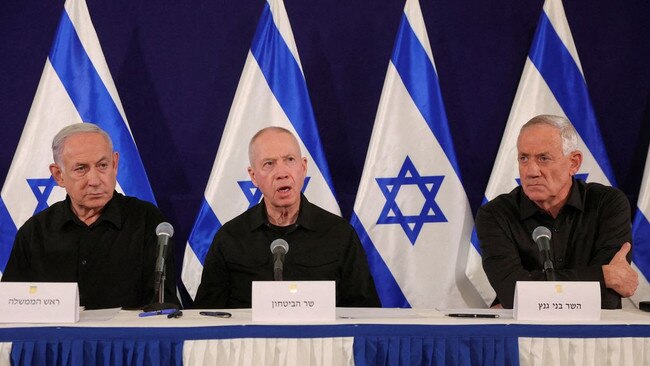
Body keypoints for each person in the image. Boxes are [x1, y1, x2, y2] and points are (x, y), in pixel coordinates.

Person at [194, 126, 380, 308]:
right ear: (253, 176)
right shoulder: (230, 237)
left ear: (303, 167)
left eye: (290, 160)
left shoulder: (339, 234)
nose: (282, 173)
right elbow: (207, 315)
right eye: (269, 164)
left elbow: (365, 312)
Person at [2, 123, 179, 310]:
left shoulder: (147, 221)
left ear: (115, 164)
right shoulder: (35, 232)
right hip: (57, 338)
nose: (94, 181)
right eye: (81, 169)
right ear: (58, 175)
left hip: (125, 338)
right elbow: (11, 307)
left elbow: (161, 305)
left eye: (102, 165)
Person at [476, 114, 637, 309]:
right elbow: (512, 292)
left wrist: (533, 291)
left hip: (594, 334)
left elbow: (606, 298)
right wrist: (603, 275)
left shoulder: (607, 205)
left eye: (543, 158)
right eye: (523, 158)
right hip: (526, 334)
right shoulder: (496, 214)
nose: (531, 171)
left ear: (574, 163)